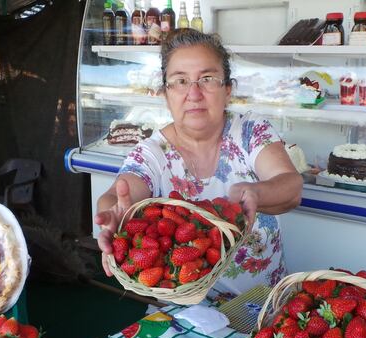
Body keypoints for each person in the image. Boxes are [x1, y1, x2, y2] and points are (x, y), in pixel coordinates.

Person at [95, 28, 303, 302]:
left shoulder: (250, 132)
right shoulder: (153, 152)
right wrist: (114, 214)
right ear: (165, 94)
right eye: (180, 81)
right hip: (182, 314)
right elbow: (116, 195)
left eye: (207, 79)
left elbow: (291, 185)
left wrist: (257, 193)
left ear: (228, 89)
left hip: (263, 306)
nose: (194, 93)